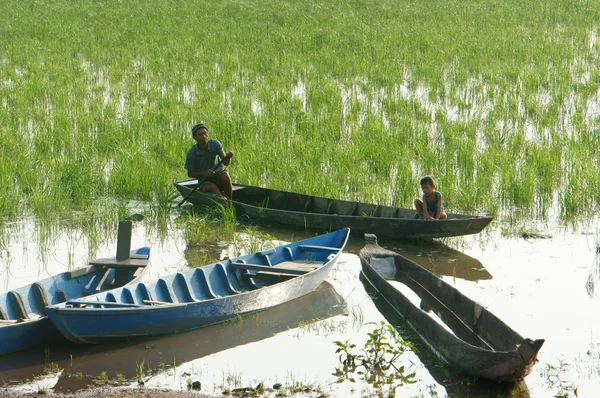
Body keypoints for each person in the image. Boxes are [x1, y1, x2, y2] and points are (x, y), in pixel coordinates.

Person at [184, 123, 234, 200]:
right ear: (195, 138)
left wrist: (228, 157)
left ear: (208, 134)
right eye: (200, 134)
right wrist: (204, 172)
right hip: (204, 181)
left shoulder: (215, 144)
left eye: (205, 133)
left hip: (218, 176)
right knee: (212, 187)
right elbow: (190, 173)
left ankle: (230, 201)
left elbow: (225, 163)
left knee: (225, 175)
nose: (203, 136)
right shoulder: (192, 153)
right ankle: (223, 200)